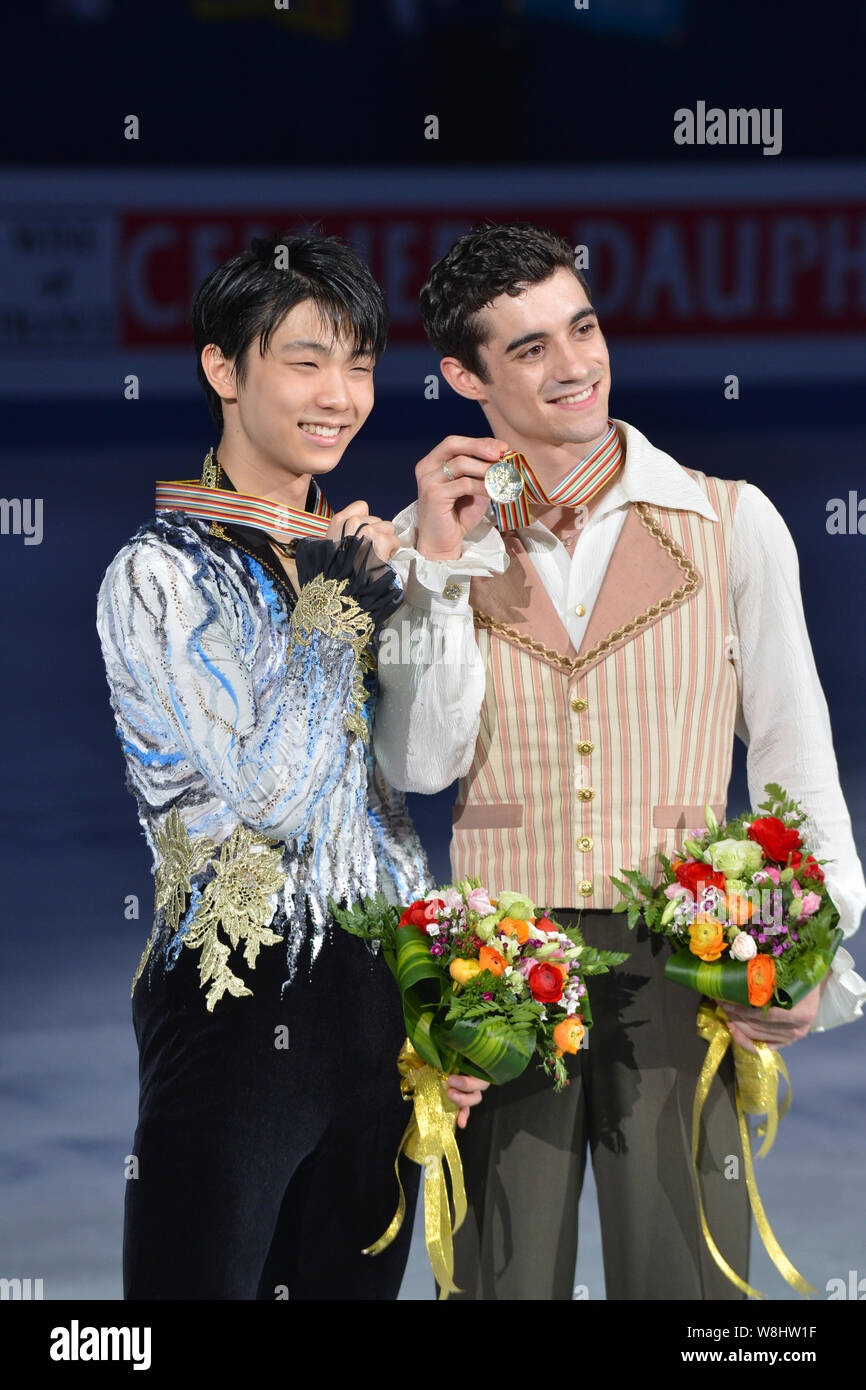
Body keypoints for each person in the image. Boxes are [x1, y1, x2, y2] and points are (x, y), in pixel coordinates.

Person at [374, 221, 866, 1300]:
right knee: (504, 1278)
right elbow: (417, 760)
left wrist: (814, 944)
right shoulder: (444, 540)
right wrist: (438, 571)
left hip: (684, 951)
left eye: (581, 328)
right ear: (464, 375)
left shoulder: (731, 521)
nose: (574, 366)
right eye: (530, 348)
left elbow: (793, 746)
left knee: (687, 1287)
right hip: (501, 967)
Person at [96, 232, 487, 1301]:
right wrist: (334, 618)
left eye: (358, 364)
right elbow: (264, 794)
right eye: (305, 360)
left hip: (371, 1006)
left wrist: (436, 576)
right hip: (231, 1003)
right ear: (223, 367)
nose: (339, 394)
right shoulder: (155, 573)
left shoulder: (360, 554)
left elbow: (411, 773)